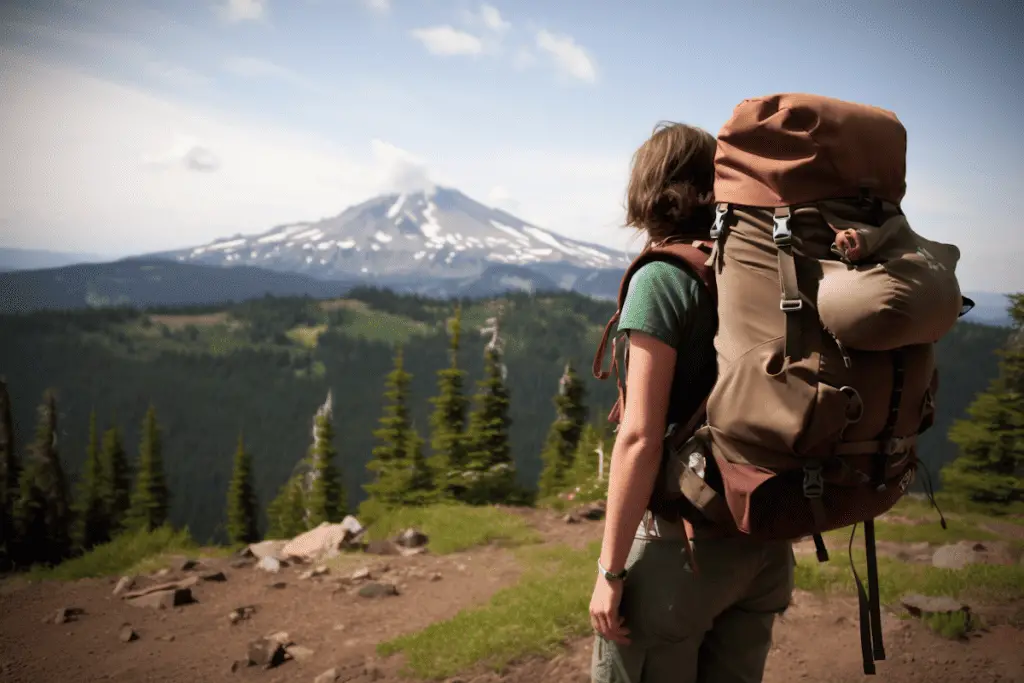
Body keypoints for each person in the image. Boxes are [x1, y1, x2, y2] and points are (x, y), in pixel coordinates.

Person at [589, 122, 795, 683]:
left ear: (648, 192)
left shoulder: (662, 279)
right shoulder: (760, 271)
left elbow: (638, 436)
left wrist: (610, 571)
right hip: (764, 545)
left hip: (683, 553)